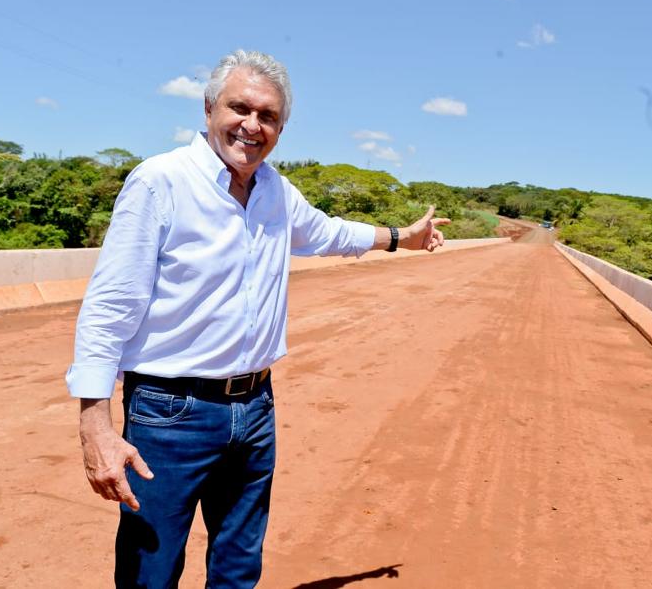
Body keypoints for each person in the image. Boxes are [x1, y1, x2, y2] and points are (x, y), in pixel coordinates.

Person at [65, 49, 449, 588]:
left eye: (268, 116)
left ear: (281, 127)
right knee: (150, 571)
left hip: (255, 409)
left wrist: (398, 239)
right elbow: (109, 308)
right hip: (169, 413)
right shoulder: (160, 183)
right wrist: (95, 427)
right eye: (239, 108)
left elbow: (329, 233)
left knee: (239, 568)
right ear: (208, 109)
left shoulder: (274, 190)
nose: (252, 125)